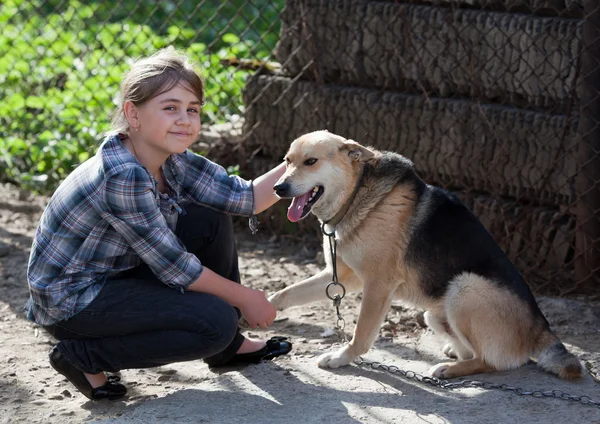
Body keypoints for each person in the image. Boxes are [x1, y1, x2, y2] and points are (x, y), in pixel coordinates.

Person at [25, 47, 291, 401]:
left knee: (208, 215)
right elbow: (176, 268)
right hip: (72, 302)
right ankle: (83, 356)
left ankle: (227, 347)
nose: (184, 119)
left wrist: (305, 159)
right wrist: (245, 299)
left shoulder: (171, 158)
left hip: (116, 273)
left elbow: (246, 198)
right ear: (132, 114)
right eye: (170, 108)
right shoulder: (123, 175)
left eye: (192, 109)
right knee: (215, 323)